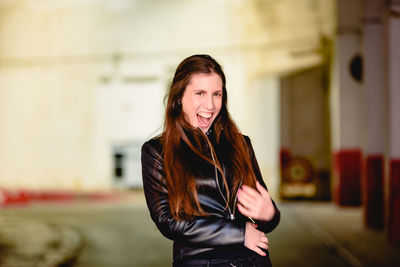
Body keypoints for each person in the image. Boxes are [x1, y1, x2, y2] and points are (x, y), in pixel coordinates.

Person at [141, 54, 280, 267]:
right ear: (179, 97)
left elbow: (262, 208)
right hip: (201, 262)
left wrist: (269, 214)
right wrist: (239, 234)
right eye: (200, 93)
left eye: (217, 94)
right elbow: (168, 221)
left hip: (253, 260)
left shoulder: (241, 144)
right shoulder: (157, 152)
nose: (210, 104)